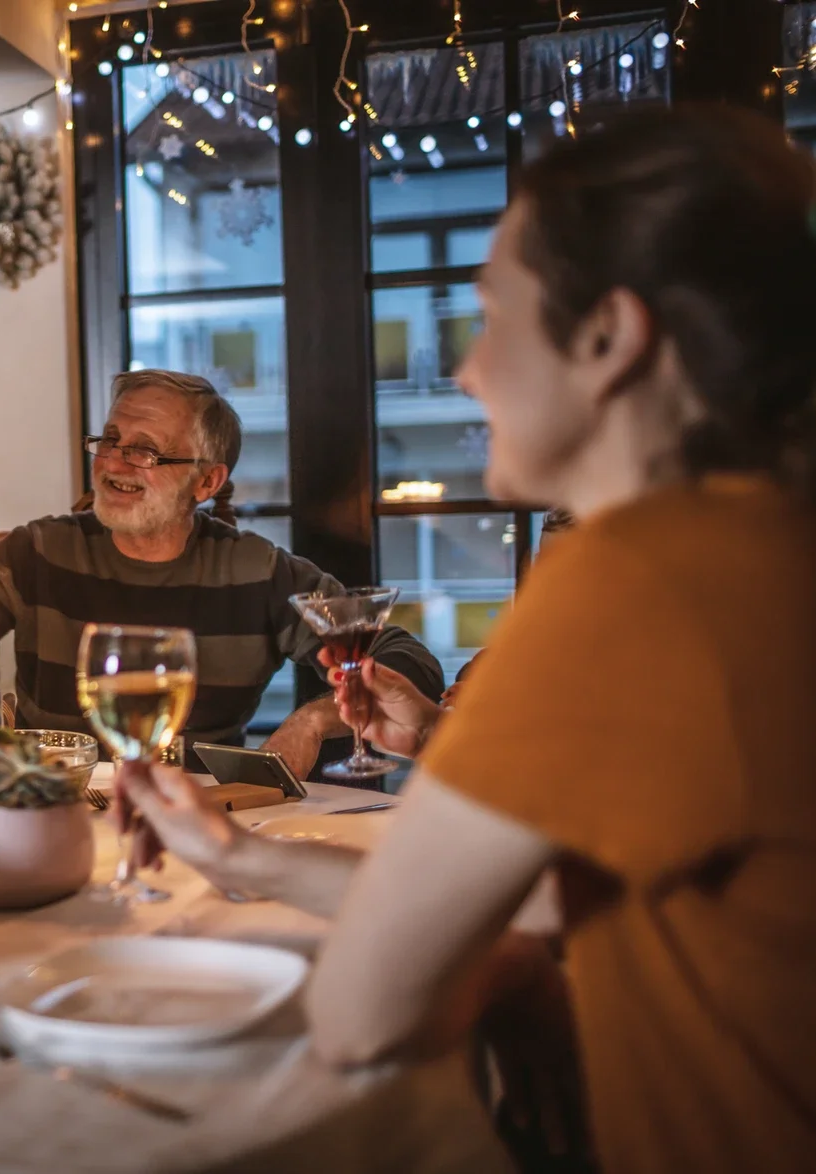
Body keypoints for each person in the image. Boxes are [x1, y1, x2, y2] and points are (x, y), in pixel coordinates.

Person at [120, 106, 816, 1173]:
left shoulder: (633, 578)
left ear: (609, 338)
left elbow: (363, 1013)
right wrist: (235, 855)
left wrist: (513, 974)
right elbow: (545, 896)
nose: (467, 372)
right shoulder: (760, 545)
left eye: (493, 317)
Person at [0, 368, 442, 779]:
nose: (116, 461)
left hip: (196, 821)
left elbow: (403, 660)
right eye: (111, 439)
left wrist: (313, 721)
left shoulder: (260, 573)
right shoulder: (40, 551)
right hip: (54, 810)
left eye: (145, 449)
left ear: (206, 481)